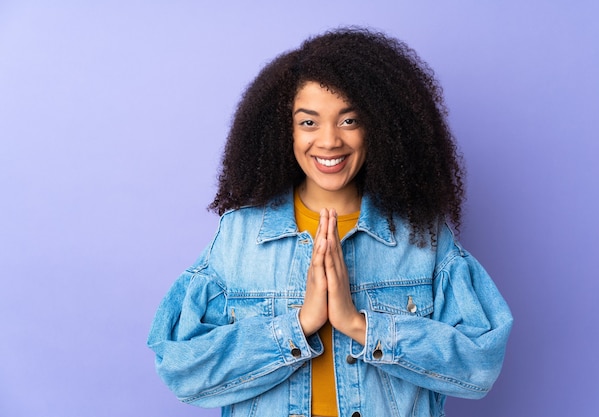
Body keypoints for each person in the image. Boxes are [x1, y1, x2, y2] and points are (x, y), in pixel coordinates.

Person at [147, 27, 513, 417]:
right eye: (308, 122)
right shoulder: (240, 236)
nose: (329, 141)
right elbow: (182, 369)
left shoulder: (421, 236)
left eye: (349, 121)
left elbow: (479, 365)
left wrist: (359, 325)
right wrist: (300, 324)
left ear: (381, 127)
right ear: (282, 131)